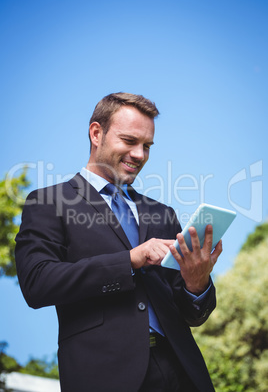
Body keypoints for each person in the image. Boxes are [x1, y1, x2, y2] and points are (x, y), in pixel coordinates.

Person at [15, 92, 222, 392]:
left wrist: (197, 283)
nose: (139, 154)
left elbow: (192, 314)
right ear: (96, 133)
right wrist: (130, 260)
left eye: (147, 146)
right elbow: (37, 283)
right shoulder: (49, 202)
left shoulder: (162, 213)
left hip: (181, 372)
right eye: (129, 141)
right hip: (104, 374)